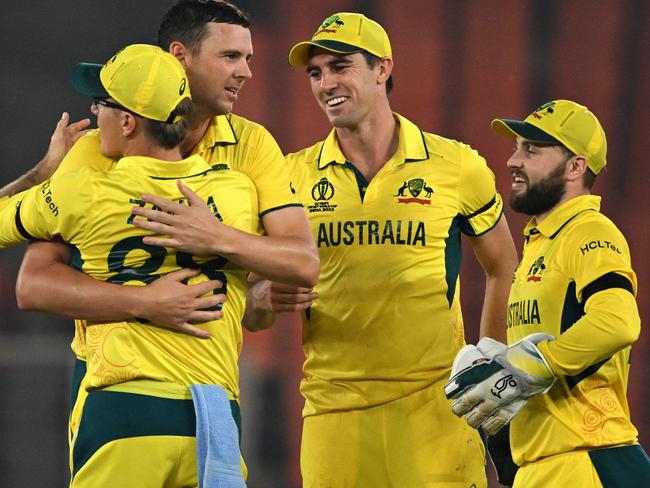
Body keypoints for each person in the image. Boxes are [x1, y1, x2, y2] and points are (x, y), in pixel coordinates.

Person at [149, 11, 518, 487]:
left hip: (435, 410)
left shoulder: (457, 165)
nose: (326, 84)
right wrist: (260, 301)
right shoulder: (291, 175)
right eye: (316, 73)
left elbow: (502, 265)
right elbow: (253, 305)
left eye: (340, 67)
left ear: (383, 68)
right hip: (333, 412)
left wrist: (492, 360)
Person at [9, 0, 318, 475]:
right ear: (180, 57)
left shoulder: (251, 145)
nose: (246, 73)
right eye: (231, 57)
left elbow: (294, 267)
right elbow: (35, 283)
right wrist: (146, 301)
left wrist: (221, 243)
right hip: (131, 383)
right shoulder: (229, 185)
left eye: (249, 58)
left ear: (127, 119)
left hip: (185, 395)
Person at [445, 99, 650, 487]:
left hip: (584, 460)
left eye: (532, 150)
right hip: (541, 466)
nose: (512, 161)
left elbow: (618, 322)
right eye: (516, 147)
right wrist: (503, 364)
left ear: (575, 166)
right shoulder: (540, 245)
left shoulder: (590, 231)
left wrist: (532, 364)